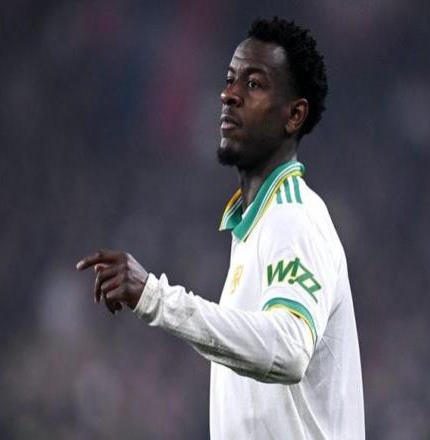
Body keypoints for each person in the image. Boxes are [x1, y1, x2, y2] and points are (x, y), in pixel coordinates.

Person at [77, 16, 365, 440]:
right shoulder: (254, 225)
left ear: (294, 115)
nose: (229, 94)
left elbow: (289, 350)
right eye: (230, 80)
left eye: (253, 84)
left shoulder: (294, 216)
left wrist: (156, 298)